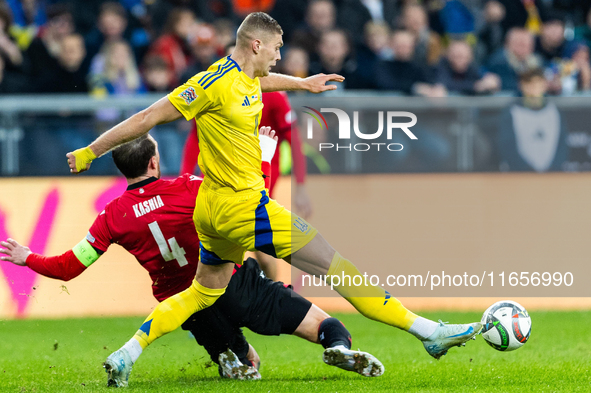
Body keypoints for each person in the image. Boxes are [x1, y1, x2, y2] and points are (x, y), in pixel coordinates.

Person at [66, 11, 481, 386]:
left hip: (210, 211)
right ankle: (429, 333)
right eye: (277, 49)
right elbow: (145, 118)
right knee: (336, 267)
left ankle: (128, 352)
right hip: (245, 206)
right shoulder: (209, 84)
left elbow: (258, 80)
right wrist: (90, 151)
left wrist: (302, 84)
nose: (280, 57)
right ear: (256, 45)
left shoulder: (241, 77)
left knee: (201, 294)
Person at [2, 130, 384, 385]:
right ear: (154, 162)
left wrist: (27, 256)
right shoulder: (189, 189)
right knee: (326, 324)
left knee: (249, 365)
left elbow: (68, 268)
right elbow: (254, 206)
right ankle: (337, 346)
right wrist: (266, 154)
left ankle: (232, 357)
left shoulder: (111, 217)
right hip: (231, 283)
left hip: (184, 306)